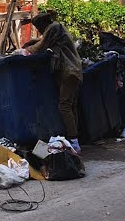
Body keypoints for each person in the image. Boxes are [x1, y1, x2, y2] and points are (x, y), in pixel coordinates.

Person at [25, 12, 83, 154]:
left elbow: (42, 45)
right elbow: (42, 41)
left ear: (43, 24)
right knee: (71, 105)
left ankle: (74, 142)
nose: (39, 30)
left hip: (69, 71)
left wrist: (25, 50)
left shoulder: (54, 27)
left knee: (64, 106)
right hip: (73, 71)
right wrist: (32, 42)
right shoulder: (57, 28)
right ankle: (75, 139)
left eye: (38, 26)